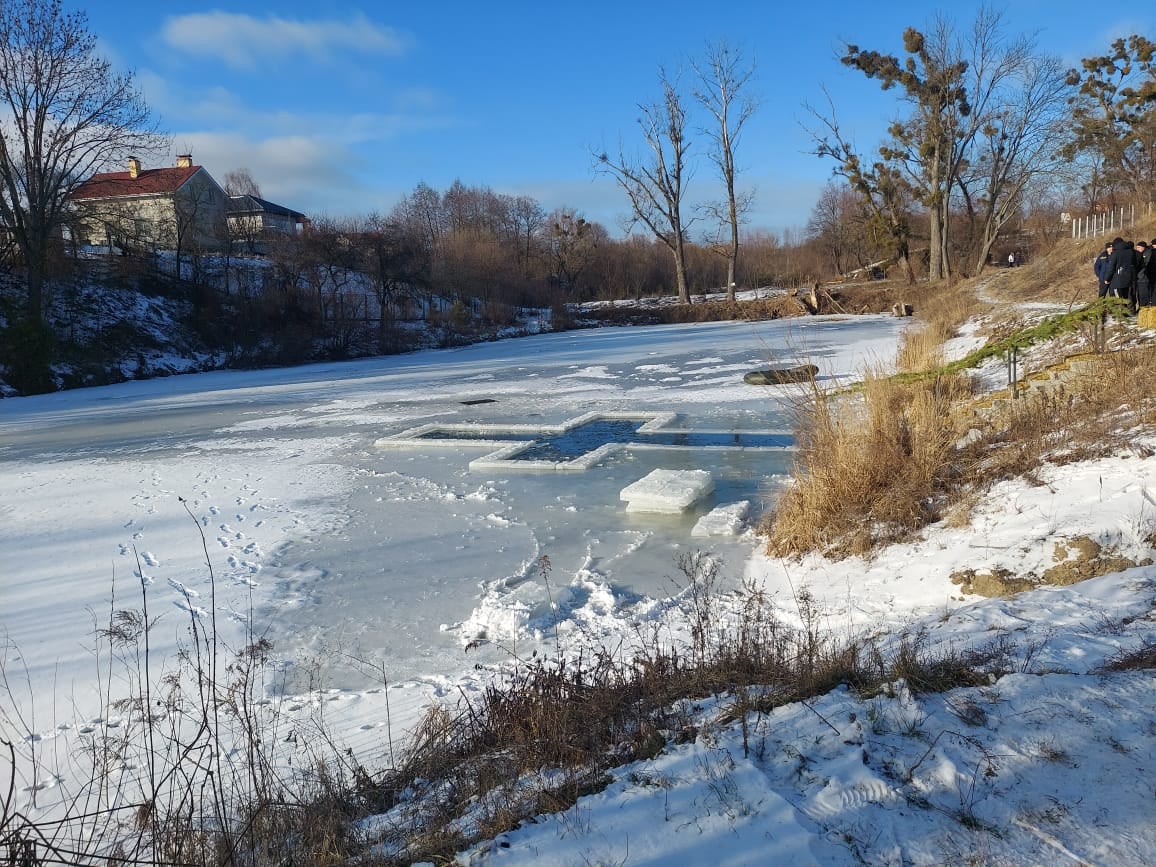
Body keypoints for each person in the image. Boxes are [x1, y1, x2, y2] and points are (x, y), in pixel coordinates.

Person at [1106, 237, 1137, 310]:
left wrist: (1107, 278)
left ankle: (1120, 315)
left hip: (1117, 279)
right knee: (1126, 297)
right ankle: (1127, 312)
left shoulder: (1115, 253)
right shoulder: (1131, 252)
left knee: (1118, 298)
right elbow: (1134, 264)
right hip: (1129, 278)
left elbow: (1112, 267)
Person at [1135, 240, 1153, 308]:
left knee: (1144, 294)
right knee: (1139, 294)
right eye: (1137, 247)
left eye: (1139, 247)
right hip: (1139, 277)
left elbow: (1146, 264)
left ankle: (1144, 307)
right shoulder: (1138, 254)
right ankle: (1141, 306)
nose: (1137, 249)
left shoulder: (1148, 253)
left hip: (1144, 277)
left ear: (1143, 247)